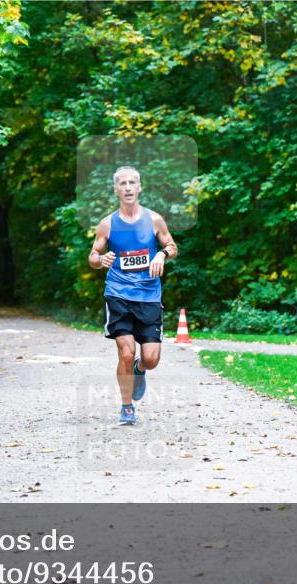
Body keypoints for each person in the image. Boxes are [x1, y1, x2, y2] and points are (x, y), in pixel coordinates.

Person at [88, 166, 178, 425]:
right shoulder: (108, 223)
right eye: (122, 183)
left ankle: (139, 370)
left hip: (149, 295)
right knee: (126, 352)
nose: (127, 187)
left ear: (139, 187)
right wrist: (100, 259)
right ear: (116, 189)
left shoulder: (154, 220)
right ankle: (127, 406)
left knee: (151, 359)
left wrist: (161, 254)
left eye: (132, 183)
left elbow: (172, 245)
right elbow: (93, 255)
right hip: (118, 294)